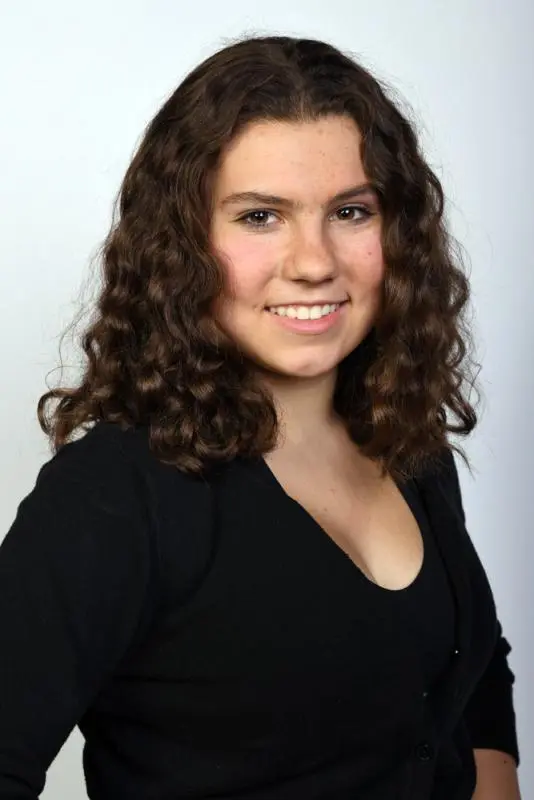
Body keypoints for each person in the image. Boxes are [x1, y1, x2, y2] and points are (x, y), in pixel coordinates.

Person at [0, 34, 521, 800]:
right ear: (182, 242)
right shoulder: (113, 496)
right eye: (260, 217)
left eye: (351, 211)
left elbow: (473, 681)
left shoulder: (408, 441)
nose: (314, 262)